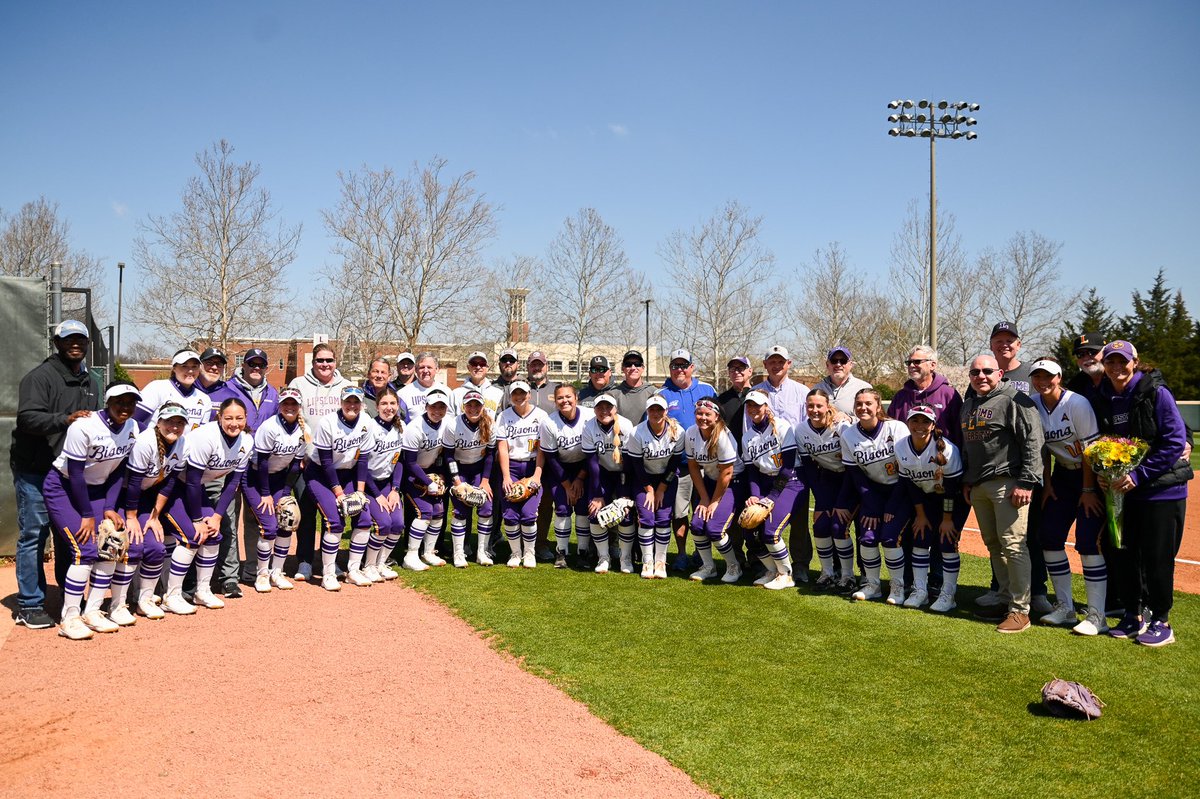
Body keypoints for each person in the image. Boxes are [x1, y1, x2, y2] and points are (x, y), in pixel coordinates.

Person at [1090, 340, 1192, 647]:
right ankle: (1133, 614)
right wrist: (1102, 471)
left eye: (1123, 361)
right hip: (1124, 493)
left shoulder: (1156, 392)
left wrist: (1139, 474)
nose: (1117, 367)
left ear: (1135, 362)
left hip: (1162, 491)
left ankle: (1161, 619)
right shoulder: (1105, 396)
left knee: (1157, 558)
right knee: (1123, 553)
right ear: (1104, 366)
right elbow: (1102, 442)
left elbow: (1175, 442)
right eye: (1111, 362)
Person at [10, 319, 101, 630]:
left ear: (87, 344)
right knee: (34, 535)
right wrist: (65, 420)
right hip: (35, 469)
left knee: (69, 535)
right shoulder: (40, 377)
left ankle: (68, 596)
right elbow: (27, 419)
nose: (75, 344)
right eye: (68, 339)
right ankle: (30, 604)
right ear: (57, 343)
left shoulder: (92, 380)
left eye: (81, 339)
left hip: (68, 474)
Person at [43, 382, 140, 639]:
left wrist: (109, 507)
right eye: (119, 401)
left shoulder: (132, 426)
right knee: (83, 549)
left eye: (130, 402)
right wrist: (87, 514)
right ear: (107, 402)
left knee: (113, 541)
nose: (125, 407)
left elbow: (119, 468)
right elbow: (75, 473)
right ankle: (70, 617)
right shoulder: (84, 426)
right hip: (63, 487)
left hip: (97, 491)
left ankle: (93, 610)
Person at [960, 354, 1045, 634]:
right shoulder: (969, 403)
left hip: (1008, 482)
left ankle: (1021, 611)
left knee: (1013, 544)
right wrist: (967, 480)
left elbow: (1033, 440)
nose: (981, 376)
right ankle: (1005, 597)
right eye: (975, 372)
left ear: (999, 373)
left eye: (987, 371)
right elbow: (968, 446)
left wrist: (1027, 482)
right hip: (979, 485)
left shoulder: (1013, 399)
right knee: (994, 544)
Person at [1028, 357, 1106, 633]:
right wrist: (1047, 484)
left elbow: (1089, 450)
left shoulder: (1077, 403)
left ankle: (1098, 616)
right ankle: (1065, 608)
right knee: (1049, 537)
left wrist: (1087, 490)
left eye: (1047, 376)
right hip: (1061, 476)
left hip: (1090, 477)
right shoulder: (1034, 403)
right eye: (1037, 377)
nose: (1042, 382)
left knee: (1087, 541)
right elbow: (1042, 449)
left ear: (1059, 377)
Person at [161, 398, 253, 614]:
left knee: (213, 534)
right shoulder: (205, 437)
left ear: (246, 419)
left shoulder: (246, 441)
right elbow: (192, 480)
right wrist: (196, 520)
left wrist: (217, 516)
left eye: (239, 418)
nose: (234, 423)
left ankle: (202, 591)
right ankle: (171, 595)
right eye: (228, 417)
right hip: (174, 487)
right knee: (192, 535)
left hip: (195, 489)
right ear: (219, 417)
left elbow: (232, 483)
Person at [834, 388, 910, 604]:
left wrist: (890, 507)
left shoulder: (896, 428)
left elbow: (906, 471)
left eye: (868, 403)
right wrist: (873, 504)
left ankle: (897, 587)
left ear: (878, 406)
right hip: (872, 492)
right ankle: (872, 585)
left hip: (901, 490)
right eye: (859, 404)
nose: (863, 407)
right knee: (867, 537)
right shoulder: (849, 435)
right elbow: (856, 476)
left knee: (889, 537)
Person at [118, 401, 190, 622]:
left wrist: (155, 516)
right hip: (121, 498)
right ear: (158, 422)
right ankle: (117, 604)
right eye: (169, 422)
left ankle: (144, 599)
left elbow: (168, 483)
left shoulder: (182, 443)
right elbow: (133, 483)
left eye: (179, 423)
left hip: (145, 499)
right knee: (131, 545)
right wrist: (131, 517)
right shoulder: (146, 441)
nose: (174, 427)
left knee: (156, 547)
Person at [895, 405, 969, 612]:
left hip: (952, 501)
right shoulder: (901, 447)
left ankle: (948, 594)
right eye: (915, 421)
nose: (920, 426)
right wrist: (920, 514)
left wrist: (947, 519)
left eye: (925, 421)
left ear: (933, 425)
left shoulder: (946, 449)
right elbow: (910, 484)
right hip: (926, 499)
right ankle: (920, 591)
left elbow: (952, 488)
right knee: (920, 538)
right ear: (907, 423)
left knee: (946, 542)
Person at [287, 343, 351, 581]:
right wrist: (301, 453)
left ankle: (329, 562)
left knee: (333, 513)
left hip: (336, 465)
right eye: (320, 361)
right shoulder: (298, 385)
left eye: (329, 360)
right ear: (312, 363)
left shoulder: (346, 387)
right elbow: (292, 420)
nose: (325, 365)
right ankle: (304, 560)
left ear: (336, 362)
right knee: (306, 512)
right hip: (308, 462)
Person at [304, 386, 374, 590]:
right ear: (341, 402)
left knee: (364, 519)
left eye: (356, 402)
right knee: (334, 521)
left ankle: (353, 570)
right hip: (320, 474)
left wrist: (360, 492)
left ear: (361, 404)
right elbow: (325, 462)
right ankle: (328, 574)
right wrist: (340, 494)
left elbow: (363, 460)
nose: (352, 405)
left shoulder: (366, 422)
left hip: (348, 473)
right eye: (348, 401)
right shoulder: (328, 422)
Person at [753, 345, 811, 580]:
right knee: (762, 516)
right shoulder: (756, 391)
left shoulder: (801, 391)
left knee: (798, 519)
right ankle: (768, 565)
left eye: (781, 361)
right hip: (766, 466)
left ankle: (800, 565)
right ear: (765, 364)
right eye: (772, 361)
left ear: (789, 363)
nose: (776, 365)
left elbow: (807, 427)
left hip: (795, 464)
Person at [227, 347, 283, 587]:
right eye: (252, 364)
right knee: (229, 519)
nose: (256, 368)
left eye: (260, 364)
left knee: (254, 519)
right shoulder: (228, 389)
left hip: (256, 467)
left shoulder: (273, 393)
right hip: (229, 463)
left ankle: (250, 568)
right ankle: (227, 572)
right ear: (244, 366)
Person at [242, 387, 306, 592]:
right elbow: (261, 463)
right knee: (269, 526)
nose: (289, 407)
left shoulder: (304, 431)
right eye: (286, 403)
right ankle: (261, 574)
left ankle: (276, 572)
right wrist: (265, 493)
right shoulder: (270, 427)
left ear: (299, 407)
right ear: (279, 406)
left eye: (293, 404)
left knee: (288, 520)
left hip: (279, 478)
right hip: (255, 478)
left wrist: (286, 492)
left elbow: (296, 465)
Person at [660, 348, 717, 572]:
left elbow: (719, 419)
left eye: (684, 365)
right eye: (675, 365)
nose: (679, 369)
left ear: (692, 367)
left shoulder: (707, 389)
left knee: (703, 509)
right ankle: (682, 554)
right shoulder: (662, 393)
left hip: (708, 464)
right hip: (681, 466)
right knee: (680, 512)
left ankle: (701, 554)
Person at [739, 390, 801, 590]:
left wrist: (772, 497)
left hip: (789, 482)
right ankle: (772, 570)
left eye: (757, 405)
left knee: (771, 531)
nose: (753, 409)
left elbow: (788, 466)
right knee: (748, 527)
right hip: (765, 484)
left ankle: (786, 575)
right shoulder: (747, 437)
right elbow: (752, 472)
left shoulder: (782, 427)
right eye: (750, 406)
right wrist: (755, 495)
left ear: (766, 407)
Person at [796, 389, 853, 593]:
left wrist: (839, 503)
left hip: (849, 479)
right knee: (820, 524)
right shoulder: (801, 430)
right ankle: (827, 573)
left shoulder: (842, 426)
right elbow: (809, 467)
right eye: (810, 406)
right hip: (826, 478)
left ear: (828, 406)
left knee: (838, 525)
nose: (815, 410)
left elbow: (852, 466)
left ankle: (847, 575)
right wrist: (821, 501)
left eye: (819, 405)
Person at [625, 395, 684, 579]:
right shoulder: (637, 432)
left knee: (664, 518)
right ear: (647, 411)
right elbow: (636, 465)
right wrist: (650, 489)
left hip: (666, 478)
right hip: (643, 478)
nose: (656, 413)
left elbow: (675, 464)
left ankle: (660, 561)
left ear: (666, 411)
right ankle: (647, 561)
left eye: (660, 409)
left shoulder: (678, 431)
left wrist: (661, 488)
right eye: (652, 409)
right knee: (647, 516)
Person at [683, 397, 740, 583]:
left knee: (715, 528)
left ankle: (734, 566)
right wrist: (704, 498)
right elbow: (693, 467)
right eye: (699, 413)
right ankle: (709, 566)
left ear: (716, 416)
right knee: (698, 525)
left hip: (732, 482)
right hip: (710, 483)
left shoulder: (722, 435)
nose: (703, 417)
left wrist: (714, 501)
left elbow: (727, 472)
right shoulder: (691, 433)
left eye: (708, 414)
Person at [538, 384, 595, 568]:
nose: (565, 401)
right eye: (560, 398)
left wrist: (579, 479)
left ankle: (583, 552)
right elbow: (551, 457)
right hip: (559, 468)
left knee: (582, 509)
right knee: (562, 508)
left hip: (584, 466)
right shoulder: (549, 422)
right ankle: (561, 553)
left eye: (568, 396)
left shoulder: (588, 416)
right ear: (555, 401)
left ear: (576, 397)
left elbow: (591, 453)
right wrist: (567, 485)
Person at [442, 389, 498, 567]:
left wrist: (485, 481)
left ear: (483, 407)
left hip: (480, 470)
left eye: (477, 405)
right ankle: (458, 553)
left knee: (486, 507)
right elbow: (448, 456)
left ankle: (482, 551)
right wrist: (457, 481)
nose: (473, 408)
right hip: (459, 469)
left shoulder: (490, 423)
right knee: (460, 510)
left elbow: (490, 454)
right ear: (463, 406)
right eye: (470, 405)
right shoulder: (453, 424)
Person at [581, 394, 636, 573]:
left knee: (625, 514)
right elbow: (592, 462)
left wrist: (626, 492)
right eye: (600, 407)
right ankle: (603, 557)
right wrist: (597, 494)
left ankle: (625, 558)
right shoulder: (589, 426)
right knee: (595, 512)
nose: (604, 411)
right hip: (602, 472)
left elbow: (629, 463)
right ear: (594, 409)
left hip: (623, 473)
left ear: (615, 409)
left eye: (608, 407)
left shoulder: (626, 426)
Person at [497, 381, 549, 568]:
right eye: (515, 394)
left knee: (528, 514)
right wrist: (505, 476)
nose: (519, 397)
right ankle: (515, 553)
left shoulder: (541, 415)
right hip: (511, 466)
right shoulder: (504, 416)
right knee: (510, 515)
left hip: (532, 466)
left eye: (523, 393)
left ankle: (529, 553)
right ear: (510, 396)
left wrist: (537, 474)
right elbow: (502, 447)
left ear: (529, 395)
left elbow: (543, 447)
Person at [399, 388, 452, 571]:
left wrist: (442, 477)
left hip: (432, 472)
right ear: (426, 406)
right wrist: (428, 482)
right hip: (413, 474)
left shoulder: (447, 424)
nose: (437, 410)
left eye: (441, 407)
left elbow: (444, 455)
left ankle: (429, 552)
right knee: (424, 512)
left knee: (438, 511)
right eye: (433, 406)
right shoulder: (415, 427)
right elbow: (410, 463)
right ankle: (410, 555)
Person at [360, 386, 406, 577]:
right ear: (377, 407)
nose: (389, 407)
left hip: (388, 484)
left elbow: (400, 461)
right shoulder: (370, 427)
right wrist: (377, 495)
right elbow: (361, 466)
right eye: (384, 403)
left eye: (393, 403)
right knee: (383, 524)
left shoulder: (400, 427)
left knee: (397, 524)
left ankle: (381, 562)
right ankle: (368, 565)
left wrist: (395, 489)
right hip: (369, 484)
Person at [887, 345, 962, 446]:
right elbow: (890, 431)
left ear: (932, 365)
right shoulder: (900, 397)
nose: (912, 366)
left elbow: (959, 433)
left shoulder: (949, 394)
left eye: (917, 362)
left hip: (942, 458)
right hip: (907, 459)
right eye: (909, 363)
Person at [133, 349, 212, 431]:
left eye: (194, 366)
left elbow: (201, 433)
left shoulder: (204, 399)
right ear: (174, 368)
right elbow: (134, 420)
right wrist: (153, 438)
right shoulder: (157, 387)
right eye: (184, 366)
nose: (190, 371)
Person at [812, 347, 872, 417]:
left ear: (851, 365)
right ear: (827, 365)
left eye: (843, 361)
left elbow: (871, 418)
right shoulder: (817, 389)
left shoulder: (864, 388)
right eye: (834, 360)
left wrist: (850, 419)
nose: (838, 364)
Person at [398, 353, 457, 420]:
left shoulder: (447, 392)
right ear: (416, 370)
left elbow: (451, 417)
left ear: (437, 369)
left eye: (429, 367)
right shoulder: (403, 394)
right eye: (422, 367)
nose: (425, 371)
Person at [452, 351, 503, 417]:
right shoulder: (456, 394)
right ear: (468, 367)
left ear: (487, 367)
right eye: (474, 364)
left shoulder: (498, 393)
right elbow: (450, 420)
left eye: (482, 364)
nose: (478, 367)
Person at [612, 350, 656, 424]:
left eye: (637, 364)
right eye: (628, 364)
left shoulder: (654, 393)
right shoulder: (613, 394)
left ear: (643, 368)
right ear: (623, 368)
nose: (633, 368)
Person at [1065, 333, 1106, 398]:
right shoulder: (1075, 385)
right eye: (1080, 355)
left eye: (1092, 352)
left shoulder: (1119, 377)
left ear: (1105, 352)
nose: (1086, 358)